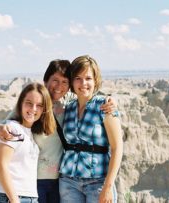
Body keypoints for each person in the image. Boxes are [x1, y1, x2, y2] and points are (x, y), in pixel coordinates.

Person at [0, 59, 117, 203]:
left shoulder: (68, 105)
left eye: (65, 81)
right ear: (46, 80)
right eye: (55, 80)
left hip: (59, 181)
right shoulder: (35, 106)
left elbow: (87, 94)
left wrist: (110, 100)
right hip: (33, 181)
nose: (59, 86)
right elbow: (7, 126)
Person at [59, 55, 123, 203]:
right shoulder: (68, 108)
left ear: (95, 80)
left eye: (88, 78)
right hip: (68, 182)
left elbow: (117, 148)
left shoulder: (105, 107)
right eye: (78, 78)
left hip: (98, 182)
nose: (83, 83)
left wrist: (108, 186)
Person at [0, 82, 56, 203]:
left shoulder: (29, 133)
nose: (33, 109)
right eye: (29, 103)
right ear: (21, 103)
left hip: (30, 198)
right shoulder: (12, 128)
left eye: (39, 105)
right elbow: (0, 166)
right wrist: (15, 200)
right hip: (11, 198)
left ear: (44, 110)